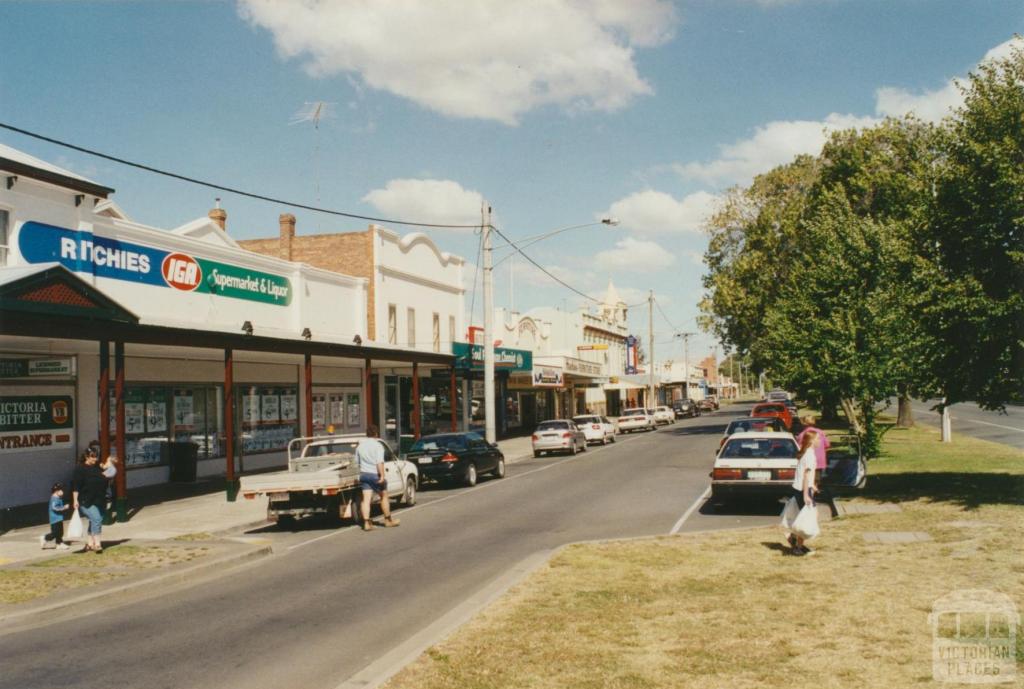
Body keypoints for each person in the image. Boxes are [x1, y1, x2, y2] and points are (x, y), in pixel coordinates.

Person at [356, 424, 400, 532]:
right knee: (384, 496)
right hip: (374, 474)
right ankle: (388, 520)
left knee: (366, 499)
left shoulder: (360, 446)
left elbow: (356, 462)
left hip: (364, 474)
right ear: (376, 434)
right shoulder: (378, 446)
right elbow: (379, 462)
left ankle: (366, 523)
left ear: (367, 434)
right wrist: (382, 476)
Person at [787, 429, 819, 556]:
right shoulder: (810, 455)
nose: (819, 441)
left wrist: (813, 486)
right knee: (805, 519)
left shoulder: (805, 453)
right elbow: (806, 476)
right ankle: (798, 547)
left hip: (800, 488)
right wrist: (807, 493)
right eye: (817, 439)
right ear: (812, 441)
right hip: (803, 490)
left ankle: (796, 540)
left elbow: (805, 474)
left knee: (804, 516)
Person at [72, 450, 109, 553]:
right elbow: (76, 486)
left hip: (99, 499)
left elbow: (107, 472)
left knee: (95, 519)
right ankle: (97, 544)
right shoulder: (80, 469)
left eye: (96, 457)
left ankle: (90, 543)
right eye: (93, 457)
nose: (95, 459)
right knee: (96, 519)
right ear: (86, 457)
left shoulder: (97, 467)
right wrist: (75, 500)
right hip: (86, 500)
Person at [796, 415, 831, 484]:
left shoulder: (802, 435)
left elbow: (799, 448)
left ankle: (809, 493)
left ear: (803, 423)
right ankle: (813, 491)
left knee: (807, 480)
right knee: (816, 480)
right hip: (819, 460)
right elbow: (827, 445)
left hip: (808, 460)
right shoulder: (820, 432)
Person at [40, 482, 71, 550]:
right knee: (55, 533)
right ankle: (45, 538)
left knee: (60, 532)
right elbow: (54, 508)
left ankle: (59, 543)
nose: (63, 492)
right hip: (55, 518)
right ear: (56, 491)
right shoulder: (54, 498)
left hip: (59, 518)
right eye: (61, 490)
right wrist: (64, 507)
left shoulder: (58, 497)